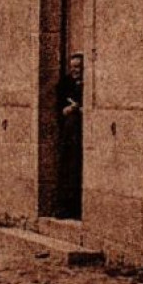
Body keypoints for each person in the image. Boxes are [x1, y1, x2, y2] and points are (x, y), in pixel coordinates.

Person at [55, 54, 86, 219]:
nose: (75, 71)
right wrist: (69, 109)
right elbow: (60, 108)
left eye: (78, 67)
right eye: (72, 67)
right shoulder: (65, 84)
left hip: (83, 136)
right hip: (69, 137)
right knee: (68, 169)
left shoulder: (88, 84)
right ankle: (65, 208)